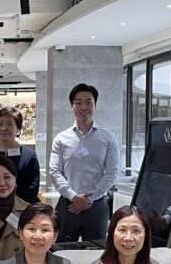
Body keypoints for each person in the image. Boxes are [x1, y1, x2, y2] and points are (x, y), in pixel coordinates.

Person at [49, 83, 121, 243]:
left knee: (96, 251)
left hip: (96, 206)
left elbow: (112, 172)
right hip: (68, 205)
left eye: (88, 102)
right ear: (71, 106)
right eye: (78, 102)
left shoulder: (108, 138)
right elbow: (54, 171)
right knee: (62, 250)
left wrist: (90, 198)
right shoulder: (61, 139)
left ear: (95, 105)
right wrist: (73, 196)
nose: (84, 107)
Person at [0, 106, 41, 204]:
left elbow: (32, 188)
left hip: (21, 209)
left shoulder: (29, 156)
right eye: (0, 123)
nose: (4, 128)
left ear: (18, 128)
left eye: (9, 124)